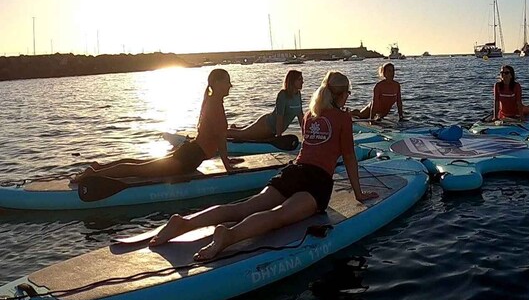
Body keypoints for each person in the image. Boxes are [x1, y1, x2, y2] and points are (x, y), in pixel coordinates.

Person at [149, 71, 379, 262]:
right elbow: (349, 157)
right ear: (341, 95)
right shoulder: (343, 118)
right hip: (316, 182)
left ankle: (184, 223)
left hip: (293, 172)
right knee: (278, 216)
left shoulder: (311, 114)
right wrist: (358, 193)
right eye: (348, 93)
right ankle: (228, 236)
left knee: (245, 207)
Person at [72, 68, 240, 182]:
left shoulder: (212, 101)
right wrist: (227, 165)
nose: (230, 85)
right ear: (216, 83)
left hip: (191, 152)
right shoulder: (215, 104)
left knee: (140, 164)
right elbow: (220, 139)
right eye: (227, 82)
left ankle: (99, 167)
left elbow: (215, 136)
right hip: (190, 157)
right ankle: (93, 175)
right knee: (139, 170)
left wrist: (227, 160)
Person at [228, 70, 305, 140]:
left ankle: (235, 128)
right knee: (242, 134)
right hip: (266, 126)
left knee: (244, 131)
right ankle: (222, 133)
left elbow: (300, 116)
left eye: (302, 79)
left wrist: (306, 135)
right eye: (299, 80)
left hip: (273, 131)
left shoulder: (298, 94)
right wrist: (279, 137)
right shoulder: (283, 95)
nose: (302, 82)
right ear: (292, 81)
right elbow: (280, 117)